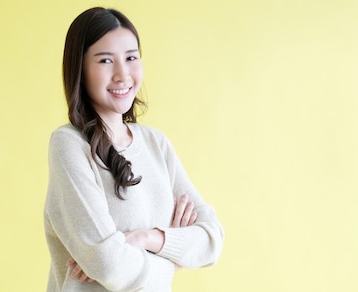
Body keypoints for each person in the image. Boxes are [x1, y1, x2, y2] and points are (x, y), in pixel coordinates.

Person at [44, 7, 224, 291]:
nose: (122, 74)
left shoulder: (156, 144)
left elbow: (212, 240)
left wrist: (148, 238)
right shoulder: (69, 145)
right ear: (79, 69)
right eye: (105, 60)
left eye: (131, 58)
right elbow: (108, 264)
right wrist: (173, 260)